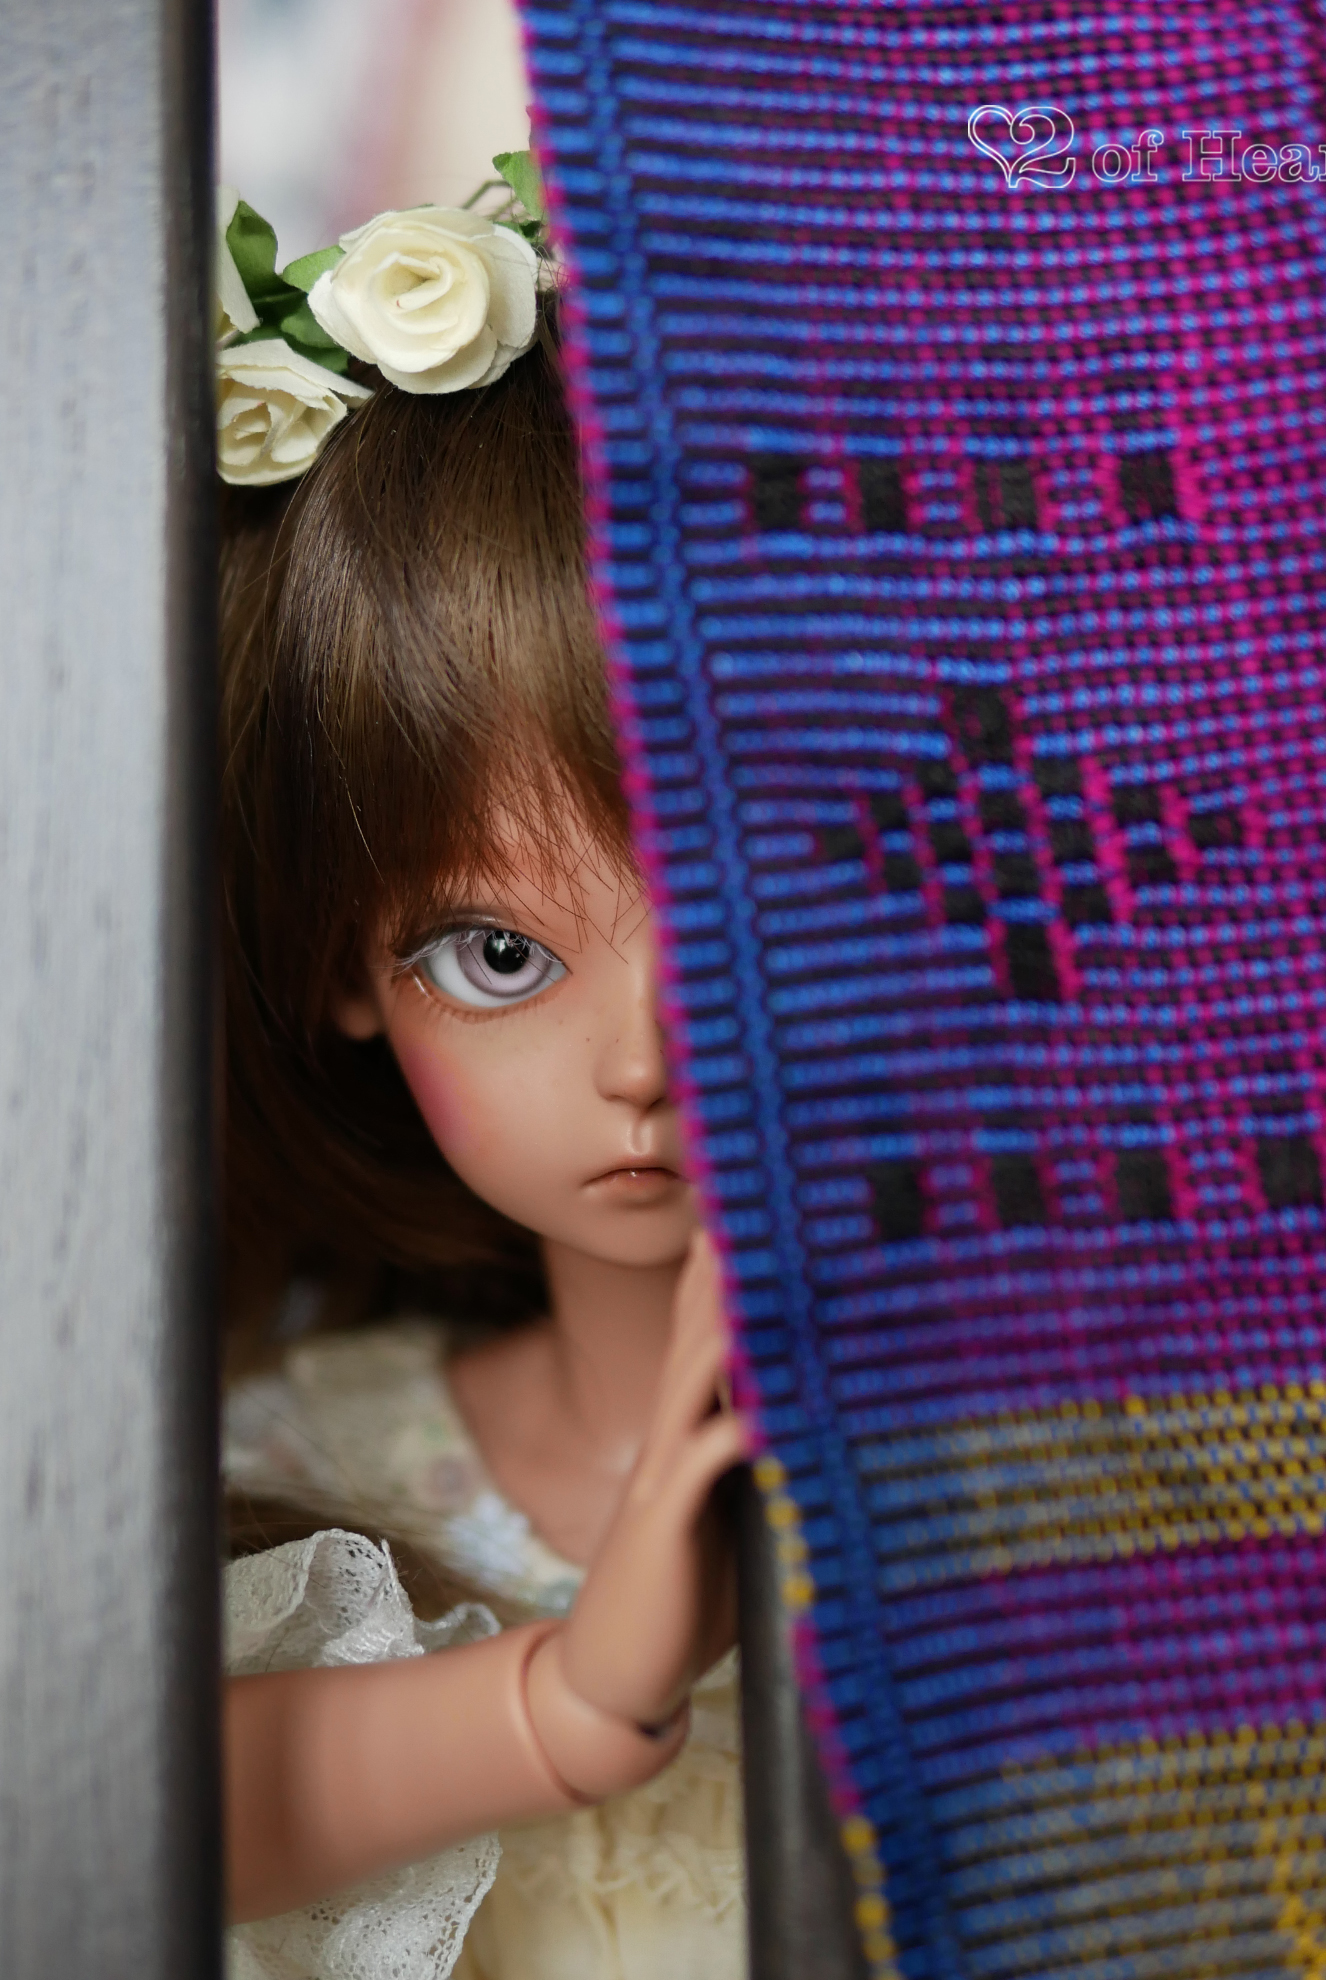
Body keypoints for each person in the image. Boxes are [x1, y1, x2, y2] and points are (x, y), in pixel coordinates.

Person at [214, 178, 748, 1980]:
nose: (647, 1063)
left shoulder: (1098, 1445)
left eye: (748, 924)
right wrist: (558, 1707)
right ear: (343, 970)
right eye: (496, 954)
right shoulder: (313, 1464)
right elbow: (112, 1821)